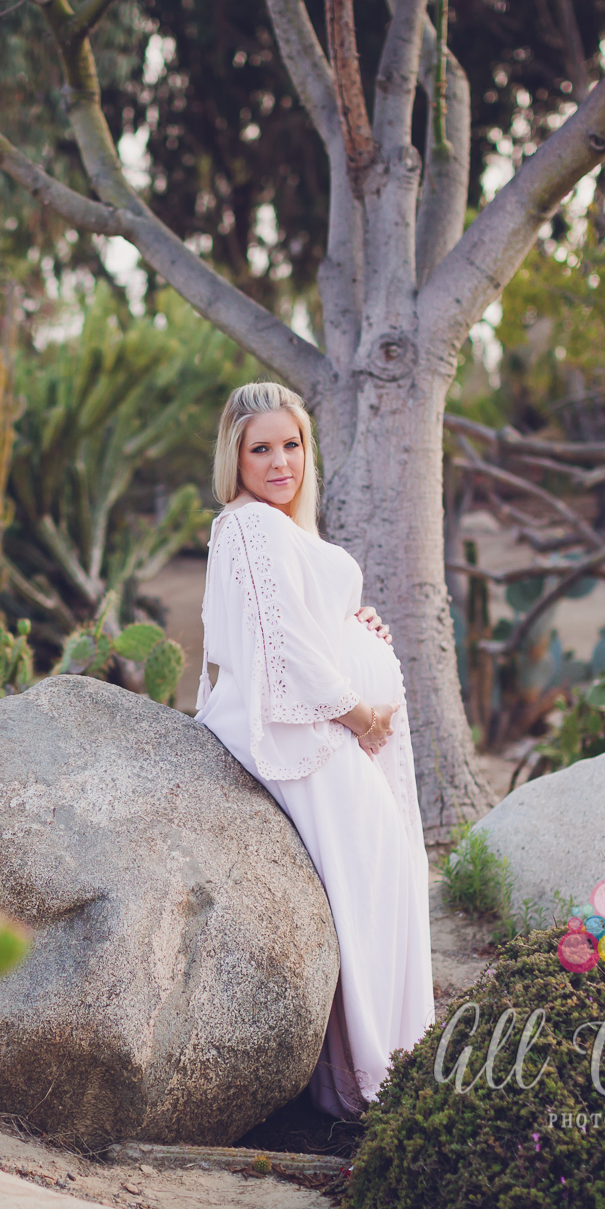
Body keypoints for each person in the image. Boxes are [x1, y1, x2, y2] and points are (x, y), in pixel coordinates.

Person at [192, 381, 434, 1120]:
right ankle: (375, 1080)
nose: (278, 462)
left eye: (290, 445)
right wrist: (360, 715)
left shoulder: (276, 531)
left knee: (383, 874)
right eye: (259, 448)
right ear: (233, 456)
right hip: (299, 732)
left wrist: (351, 626)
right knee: (376, 876)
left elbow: (299, 618)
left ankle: (375, 1068)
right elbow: (285, 648)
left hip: (316, 725)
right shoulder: (249, 526)